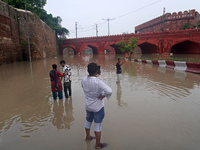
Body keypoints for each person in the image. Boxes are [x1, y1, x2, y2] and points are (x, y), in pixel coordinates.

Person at [81, 62, 112, 149]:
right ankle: (98, 145)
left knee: (88, 121)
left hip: (88, 106)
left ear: (88, 71)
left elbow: (83, 87)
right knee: (97, 125)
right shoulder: (98, 82)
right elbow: (109, 91)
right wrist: (103, 95)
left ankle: (88, 137)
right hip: (98, 107)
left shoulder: (83, 79)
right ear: (97, 71)